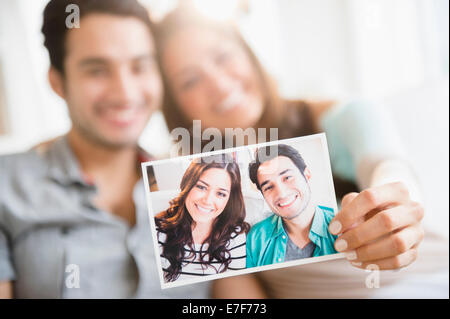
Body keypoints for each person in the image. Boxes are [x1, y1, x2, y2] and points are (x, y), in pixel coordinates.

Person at [153, 5, 433, 298]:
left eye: (223, 57)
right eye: (190, 81)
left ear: (247, 53)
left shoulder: (346, 117)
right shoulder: (230, 224)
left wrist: (399, 207)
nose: (220, 85)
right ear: (175, 107)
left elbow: (388, 167)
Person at [0, 0, 209, 298]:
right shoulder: (6, 186)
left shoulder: (201, 185)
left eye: (140, 66)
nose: (125, 93)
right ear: (58, 82)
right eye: (97, 71)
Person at [155, 154, 249, 282]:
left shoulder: (235, 236)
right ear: (188, 185)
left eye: (220, 194)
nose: (208, 201)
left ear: (229, 200)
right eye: (201, 187)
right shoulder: (158, 230)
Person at [246, 144, 337, 268]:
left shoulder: (340, 225)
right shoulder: (256, 238)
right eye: (268, 187)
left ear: (307, 175)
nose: (282, 194)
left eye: (287, 177)